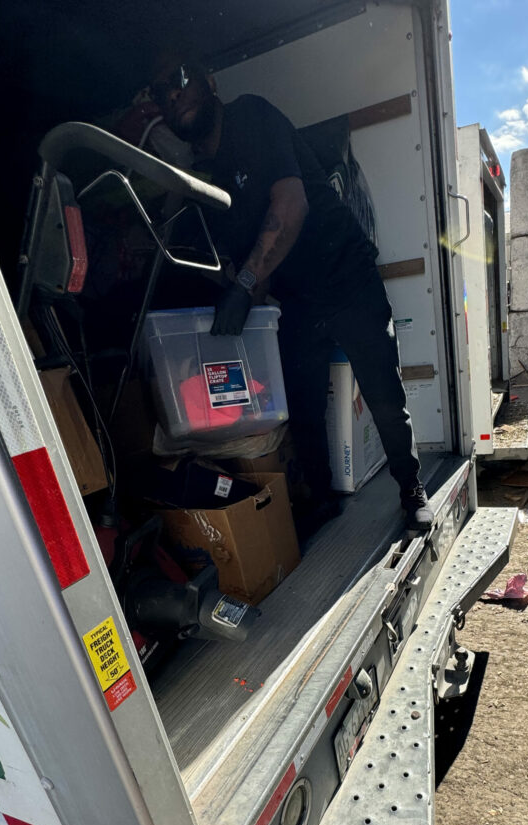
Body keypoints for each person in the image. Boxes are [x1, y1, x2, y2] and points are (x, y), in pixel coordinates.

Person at [150, 61, 433, 534]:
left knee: (383, 392)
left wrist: (243, 288)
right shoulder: (206, 175)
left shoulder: (251, 117)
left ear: (210, 83)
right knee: (302, 407)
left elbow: (291, 205)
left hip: (345, 274)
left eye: (180, 80)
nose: (174, 96)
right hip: (297, 299)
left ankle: (411, 488)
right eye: (163, 93)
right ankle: (321, 499)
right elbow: (245, 258)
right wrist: (239, 294)